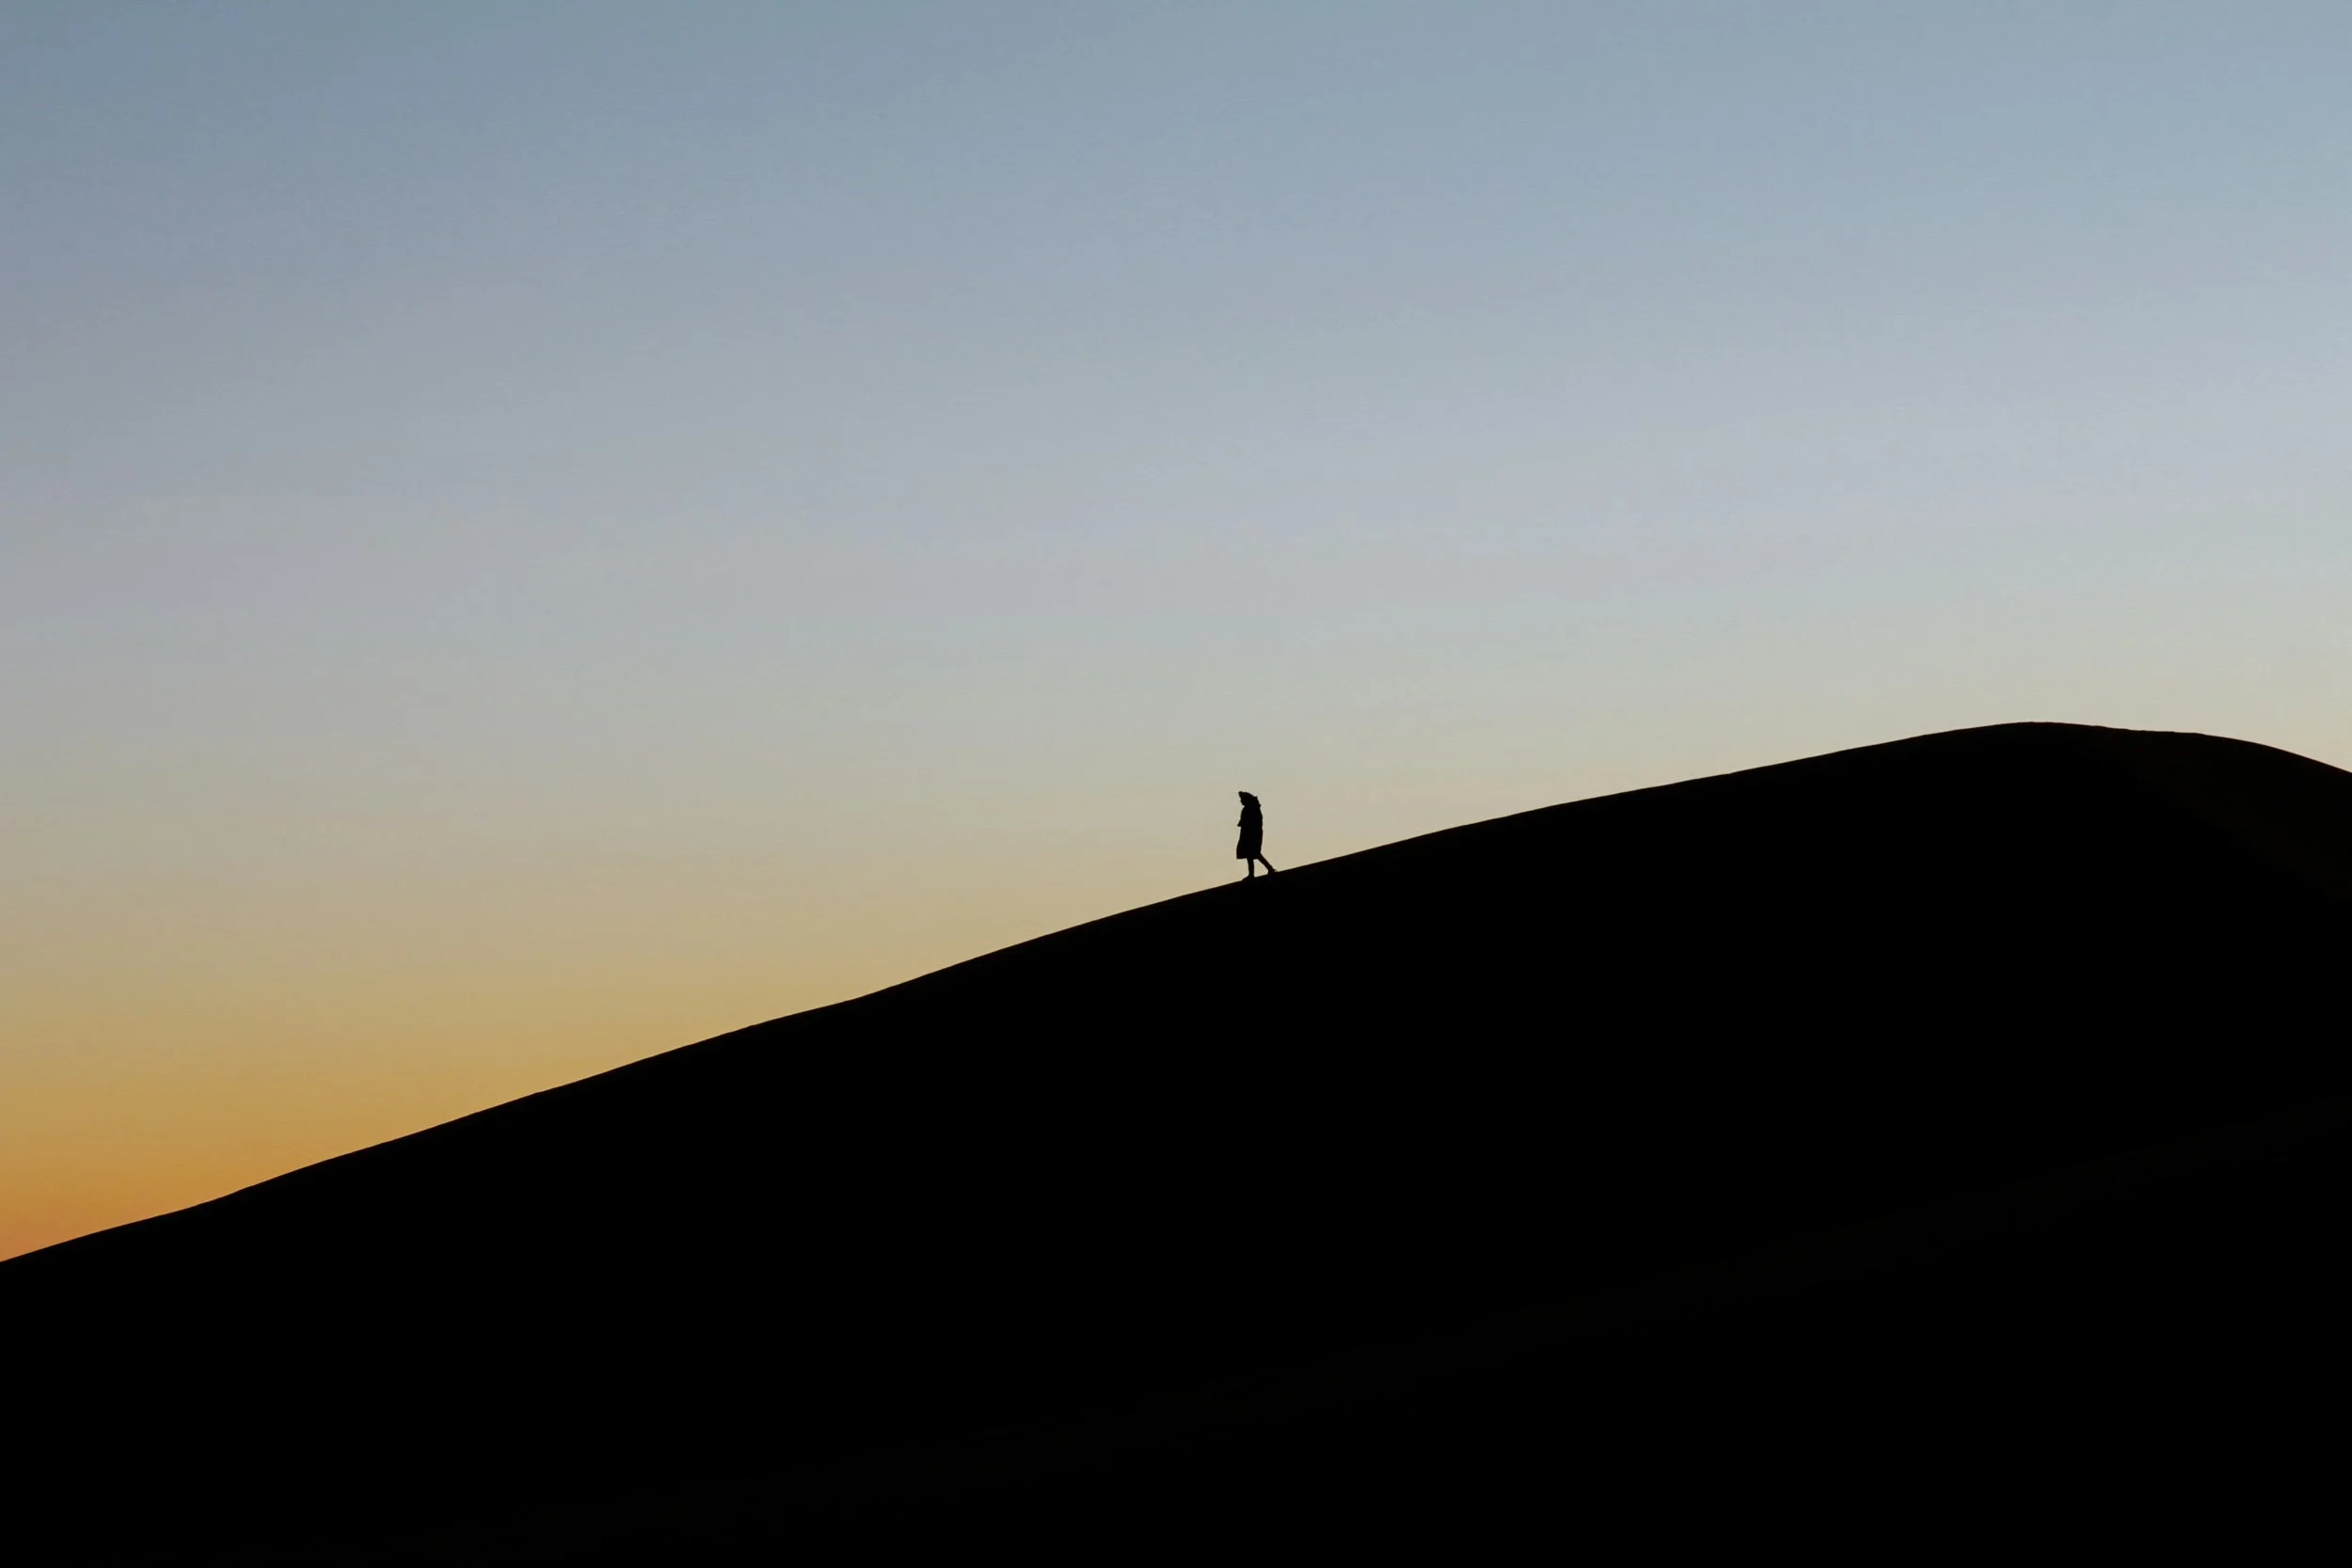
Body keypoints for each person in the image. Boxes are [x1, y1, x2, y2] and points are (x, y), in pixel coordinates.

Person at [1236, 791, 1277, 879]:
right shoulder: (1249, 809)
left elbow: (1255, 822)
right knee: (1250, 855)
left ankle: (1267, 869)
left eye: (1242, 799)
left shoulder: (1252, 809)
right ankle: (1254, 873)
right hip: (1248, 834)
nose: (1241, 801)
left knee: (1254, 853)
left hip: (1252, 834)